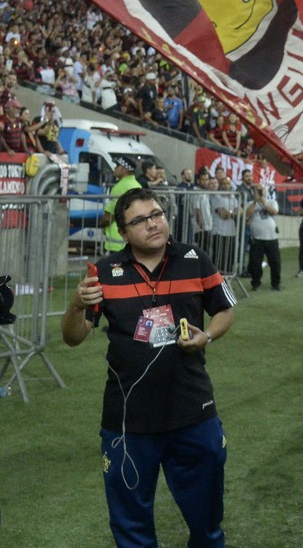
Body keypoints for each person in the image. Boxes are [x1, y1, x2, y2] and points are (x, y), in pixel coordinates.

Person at [61, 187, 236, 548]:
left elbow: (225, 309)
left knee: (207, 524)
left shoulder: (194, 258)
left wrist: (208, 336)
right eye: (140, 220)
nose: (153, 224)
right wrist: (76, 305)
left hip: (194, 411)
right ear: (123, 233)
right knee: (132, 531)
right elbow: (74, 337)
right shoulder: (105, 272)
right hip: (128, 421)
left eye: (157, 214)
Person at [245, 181, 281, 291]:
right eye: (258, 190)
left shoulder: (272, 202)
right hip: (257, 239)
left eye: (262, 190)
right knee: (256, 263)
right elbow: (247, 214)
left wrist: (264, 203)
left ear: (266, 191)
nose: (260, 192)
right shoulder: (250, 203)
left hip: (271, 238)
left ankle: (276, 284)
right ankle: (255, 283)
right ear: (254, 192)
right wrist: (256, 202)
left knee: (275, 262)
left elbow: (274, 212)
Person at [103, 157, 142, 253]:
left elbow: (109, 215)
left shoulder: (120, 187)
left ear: (125, 169)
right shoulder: (136, 184)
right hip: (132, 237)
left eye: (117, 166)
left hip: (117, 239)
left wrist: (101, 224)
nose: (114, 168)